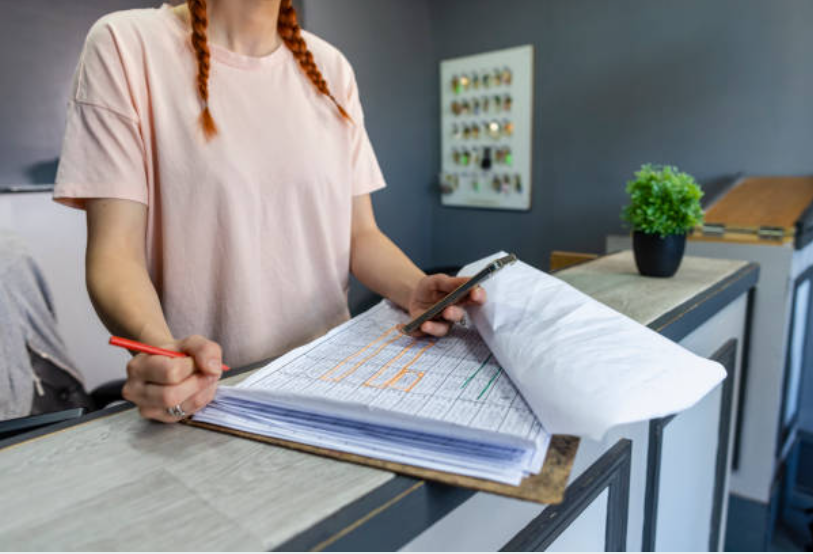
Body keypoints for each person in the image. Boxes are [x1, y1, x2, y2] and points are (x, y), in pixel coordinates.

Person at [53, 0, 485, 423]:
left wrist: (415, 288)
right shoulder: (126, 44)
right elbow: (115, 256)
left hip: (333, 391)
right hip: (210, 403)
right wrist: (164, 354)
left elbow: (359, 235)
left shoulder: (332, 68)